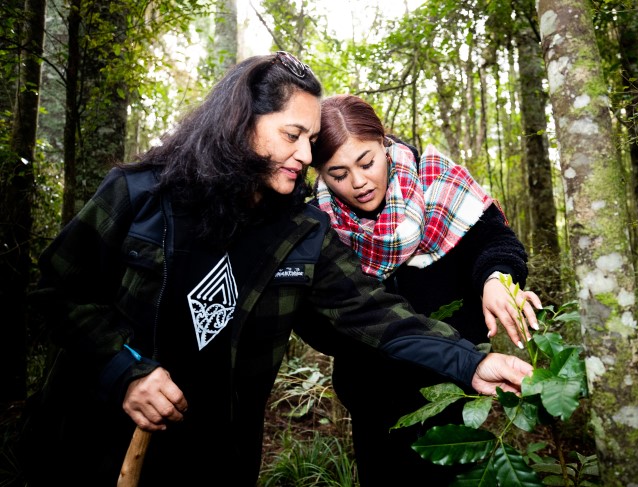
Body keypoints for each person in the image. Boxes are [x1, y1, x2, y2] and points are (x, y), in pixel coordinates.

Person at [18, 53, 533, 486]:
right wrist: (125, 369)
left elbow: (375, 313)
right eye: (293, 135)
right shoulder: (140, 194)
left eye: (310, 140)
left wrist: (470, 362)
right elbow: (56, 291)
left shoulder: (301, 232)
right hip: (91, 434)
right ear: (242, 121)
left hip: (218, 451)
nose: (305, 155)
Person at [304, 94, 543, 486]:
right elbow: (322, 318)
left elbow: (497, 243)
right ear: (321, 174)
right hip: (373, 404)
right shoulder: (318, 224)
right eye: (338, 174)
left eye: (367, 162)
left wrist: (496, 278)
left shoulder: (438, 183)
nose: (359, 182)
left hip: (453, 392)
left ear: (384, 143)